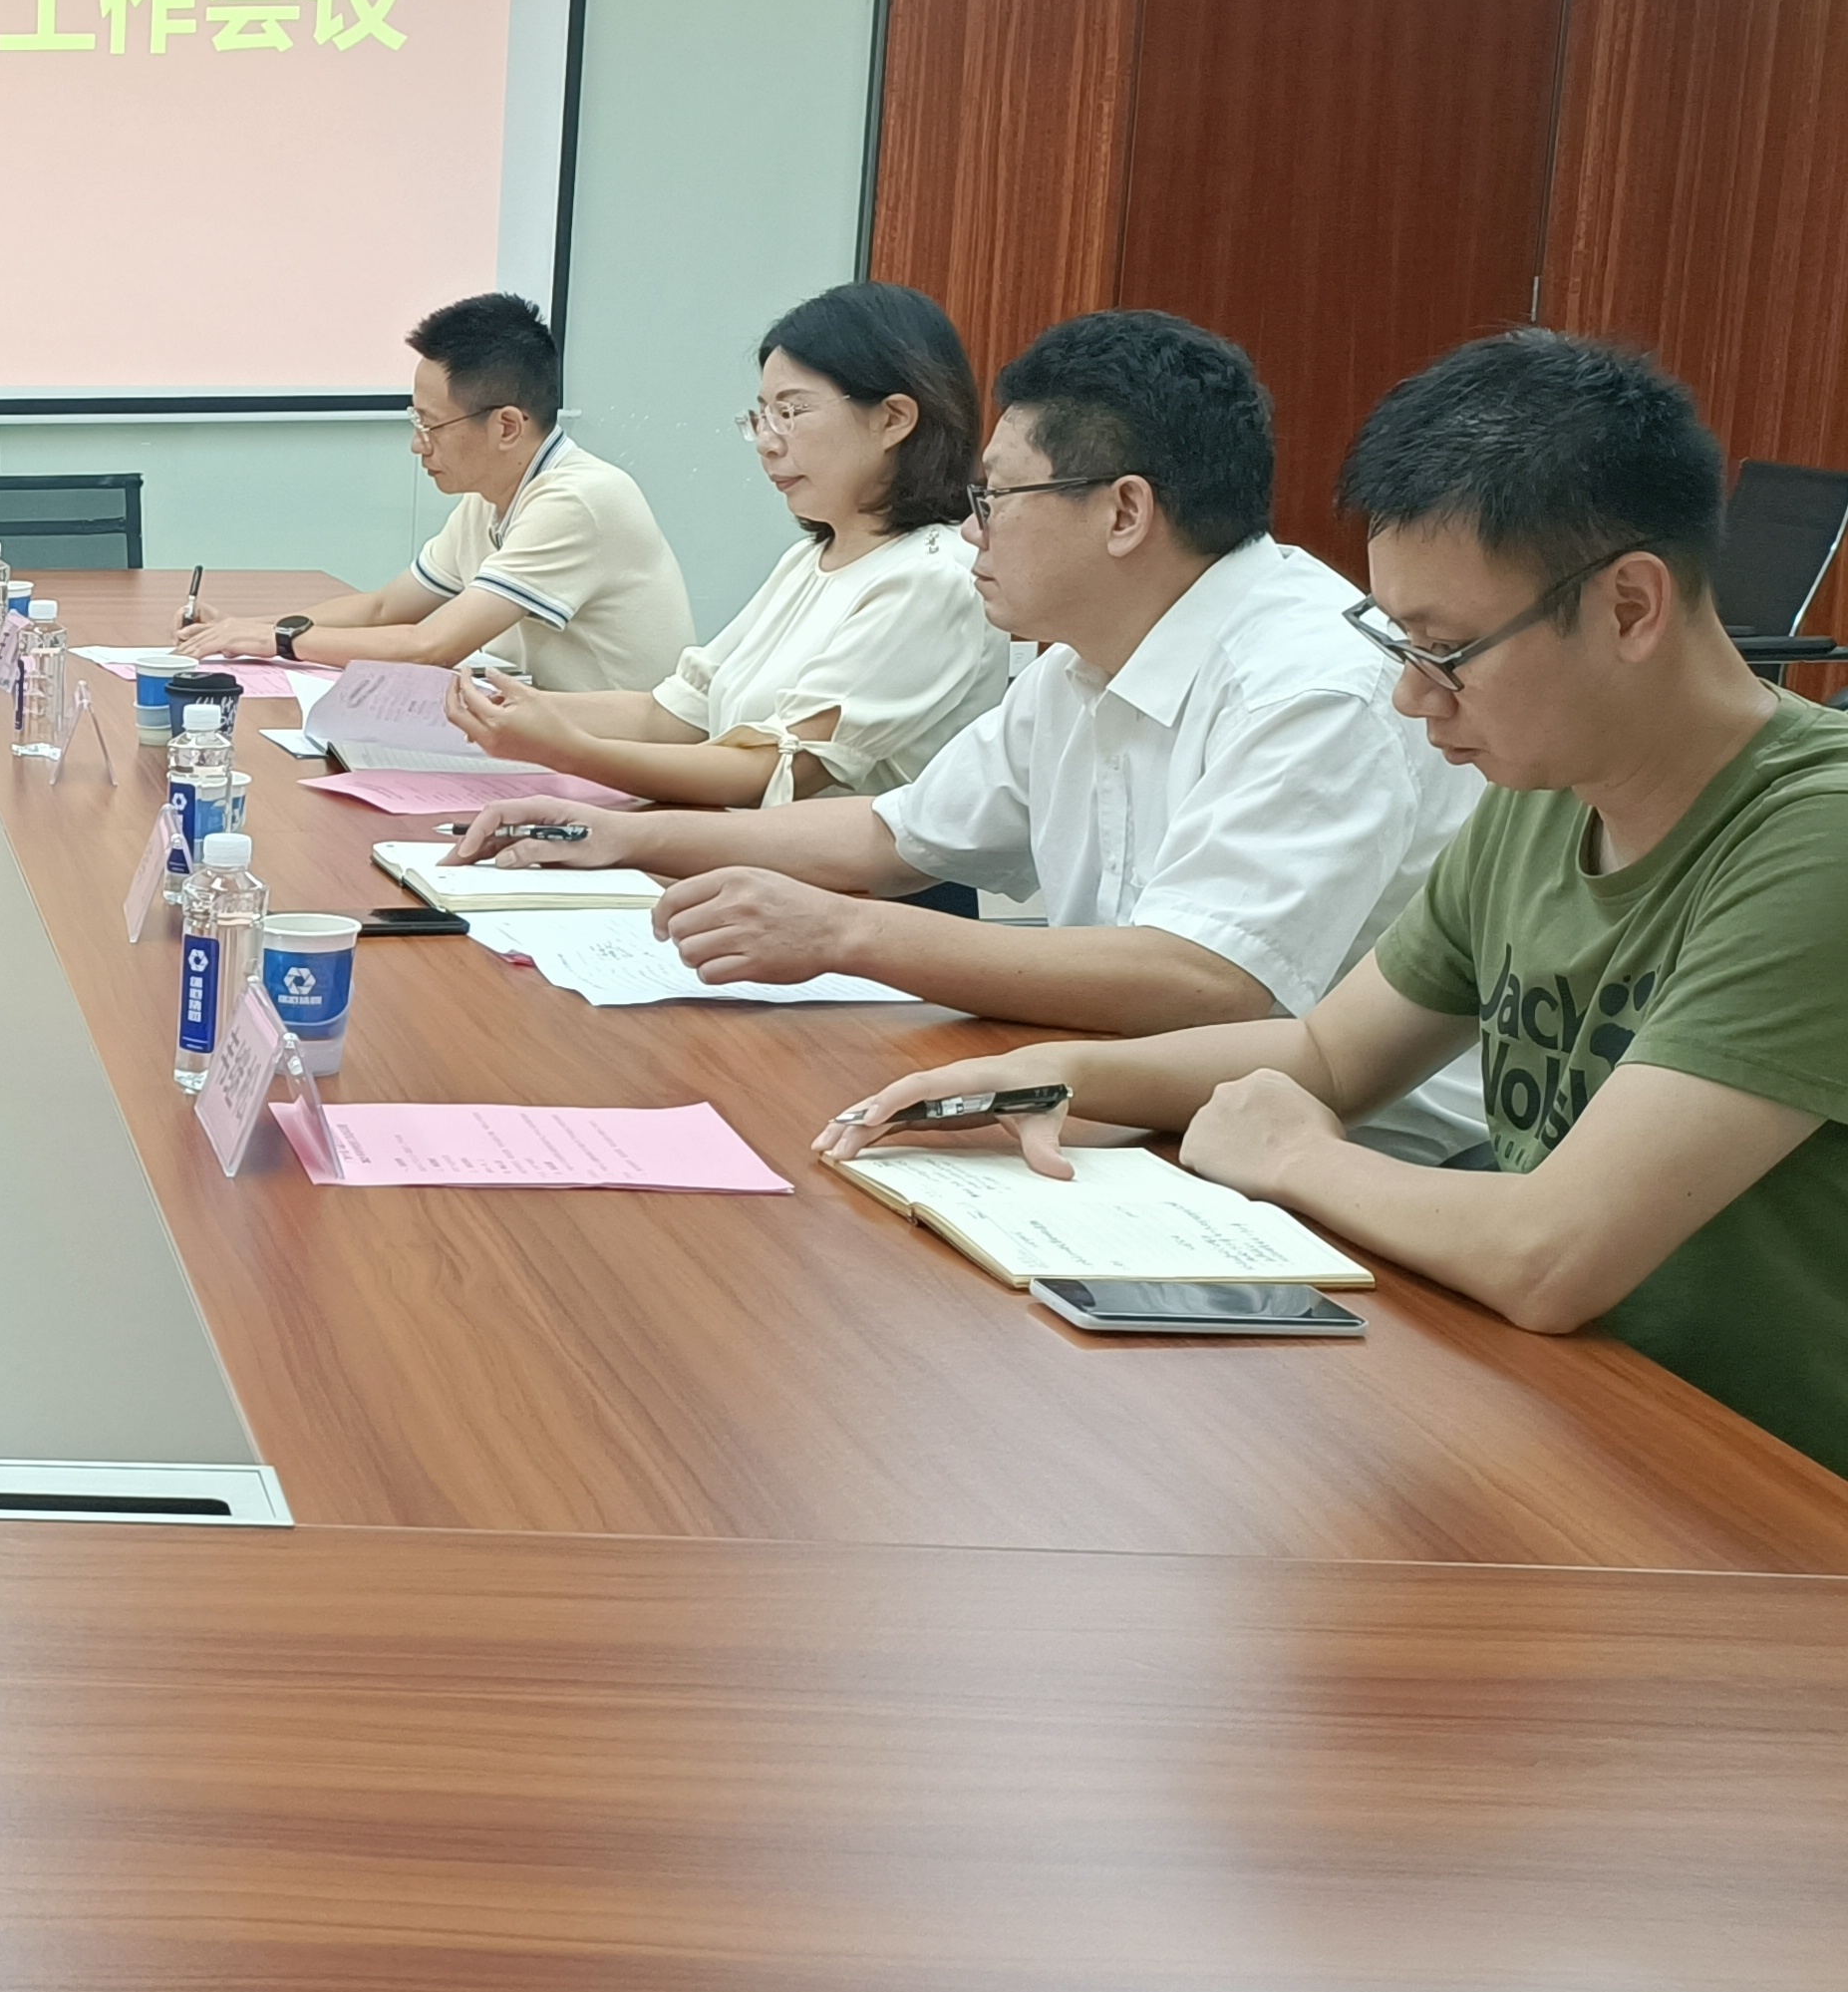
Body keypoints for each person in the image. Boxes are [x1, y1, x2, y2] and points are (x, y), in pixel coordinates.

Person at [828, 334, 1848, 1462]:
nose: (1412, 697)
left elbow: (1549, 1255)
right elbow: (1327, 1055)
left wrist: (1295, 1158)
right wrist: (1052, 1075)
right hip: (1558, 1405)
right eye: (1399, 642)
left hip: (1757, 1477)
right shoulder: (1549, 789)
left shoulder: (1816, 838)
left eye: (1446, 650)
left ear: (1631, 607)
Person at [449, 313, 1483, 1122]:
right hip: (1132, 1100)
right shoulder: (1074, 664)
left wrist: (844, 932)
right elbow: (890, 834)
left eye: (996, 499)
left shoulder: (1311, 684)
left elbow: (1208, 980)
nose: (974, 532)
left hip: (1332, 1156)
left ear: (1124, 512)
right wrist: (623, 835)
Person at [447, 281, 1008, 808]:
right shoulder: (808, 561)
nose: (767, 442)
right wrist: (516, 707)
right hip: (747, 858)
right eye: (762, 416)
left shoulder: (935, 575)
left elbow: (776, 771)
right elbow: (672, 716)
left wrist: (565, 748)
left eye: (790, 412)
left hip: (841, 879)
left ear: (893, 419)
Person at [174, 292, 695, 689]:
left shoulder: (577, 501)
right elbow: (384, 609)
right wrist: (243, 628)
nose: (417, 444)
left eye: (431, 424)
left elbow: (431, 646)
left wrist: (277, 640)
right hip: (551, 743)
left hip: (626, 772)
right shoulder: (489, 498)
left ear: (507, 426)